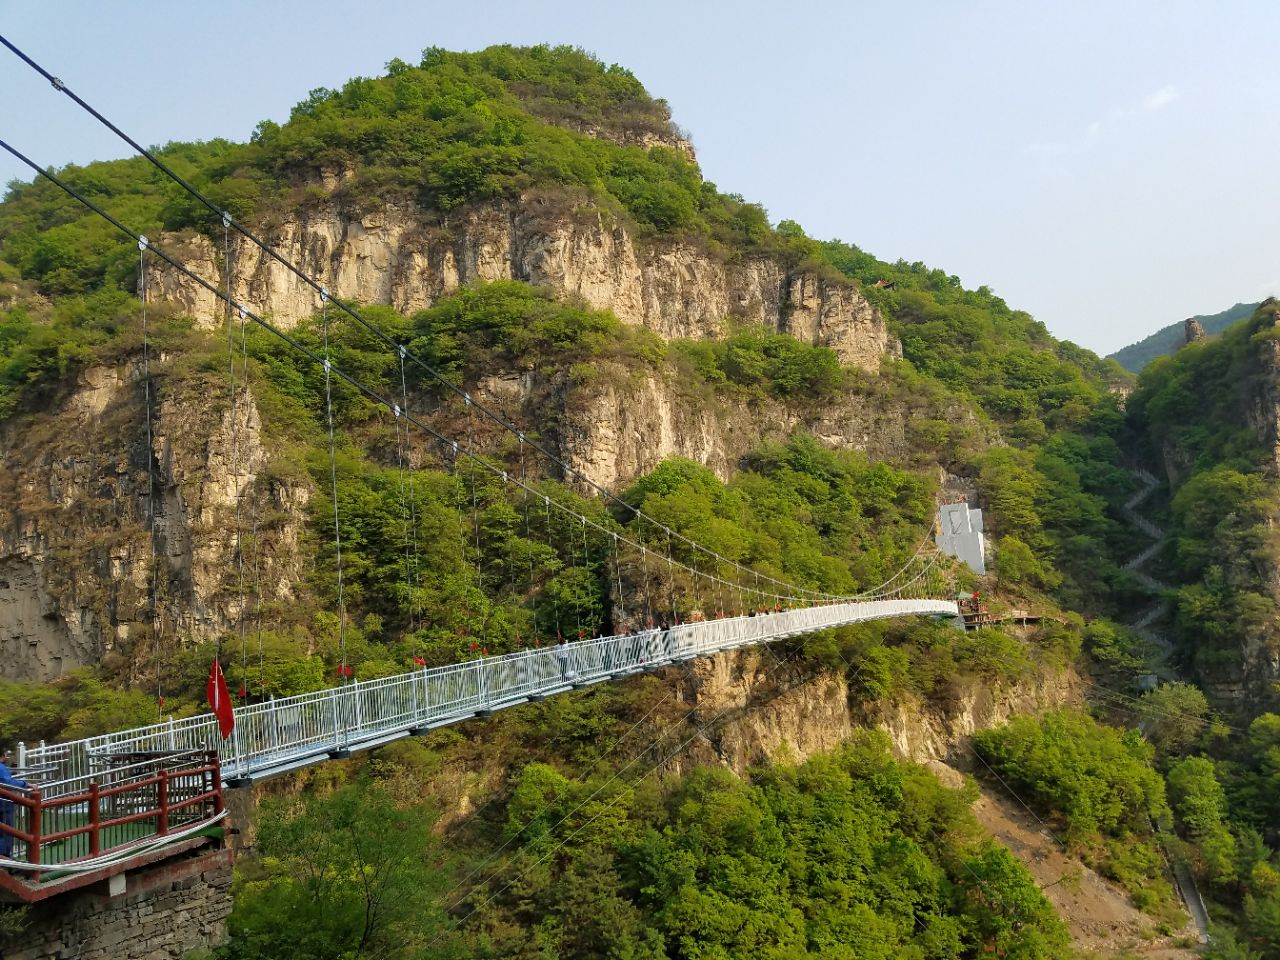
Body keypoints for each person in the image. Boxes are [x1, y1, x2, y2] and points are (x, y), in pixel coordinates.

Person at [0, 747, 29, 859]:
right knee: (5, 832)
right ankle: (5, 859)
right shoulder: (1, 768)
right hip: (4, 804)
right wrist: (25, 784)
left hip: (4, 803)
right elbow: (7, 782)